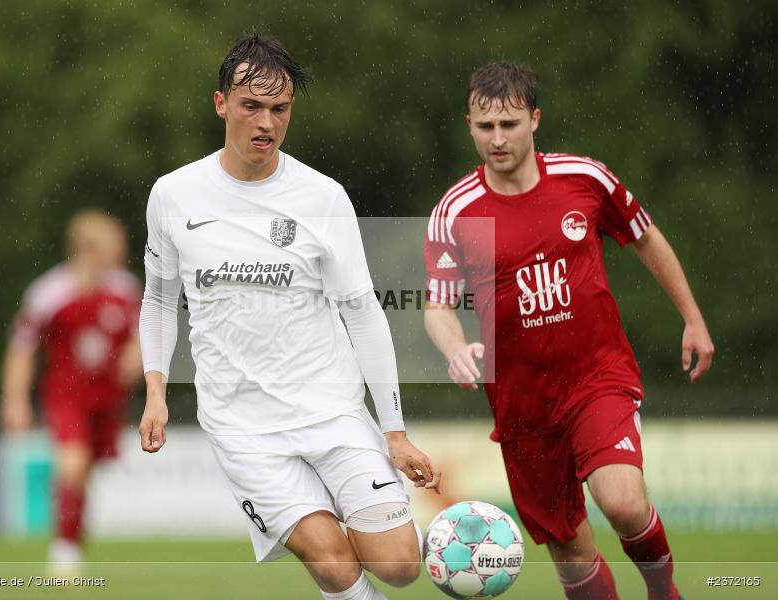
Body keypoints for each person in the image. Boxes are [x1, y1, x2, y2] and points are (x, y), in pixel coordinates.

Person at [138, 33, 440, 600]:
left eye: (279, 109)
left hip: (331, 407)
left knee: (399, 564)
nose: (265, 123)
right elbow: (157, 299)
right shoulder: (173, 195)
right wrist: (156, 390)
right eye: (251, 105)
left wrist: (394, 432)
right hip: (241, 425)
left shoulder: (322, 196)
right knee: (330, 563)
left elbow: (362, 310)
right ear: (221, 103)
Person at [423, 62, 714, 600]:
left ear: (535, 119)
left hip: (595, 376)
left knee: (624, 503)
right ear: (469, 125)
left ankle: (664, 593)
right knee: (572, 557)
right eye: (485, 127)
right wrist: (456, 348)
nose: (498, 138)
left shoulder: (584, 178)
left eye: (509, 124)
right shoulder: (455, 211)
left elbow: (645, 237)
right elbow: (437, 306)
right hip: (522, 405)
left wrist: (692, 319)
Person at [1, 209, 142, 569]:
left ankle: (72, 539)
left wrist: (136, 355)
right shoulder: (49, 292)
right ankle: (65, 551)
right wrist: (15, 400)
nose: (121, 251)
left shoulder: (125, 289)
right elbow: (22, 347)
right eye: (115, 244)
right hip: (66, 397)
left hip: (108, 399)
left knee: (84, 472)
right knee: (73, 463)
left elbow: (145, 334)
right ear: (90, 248)